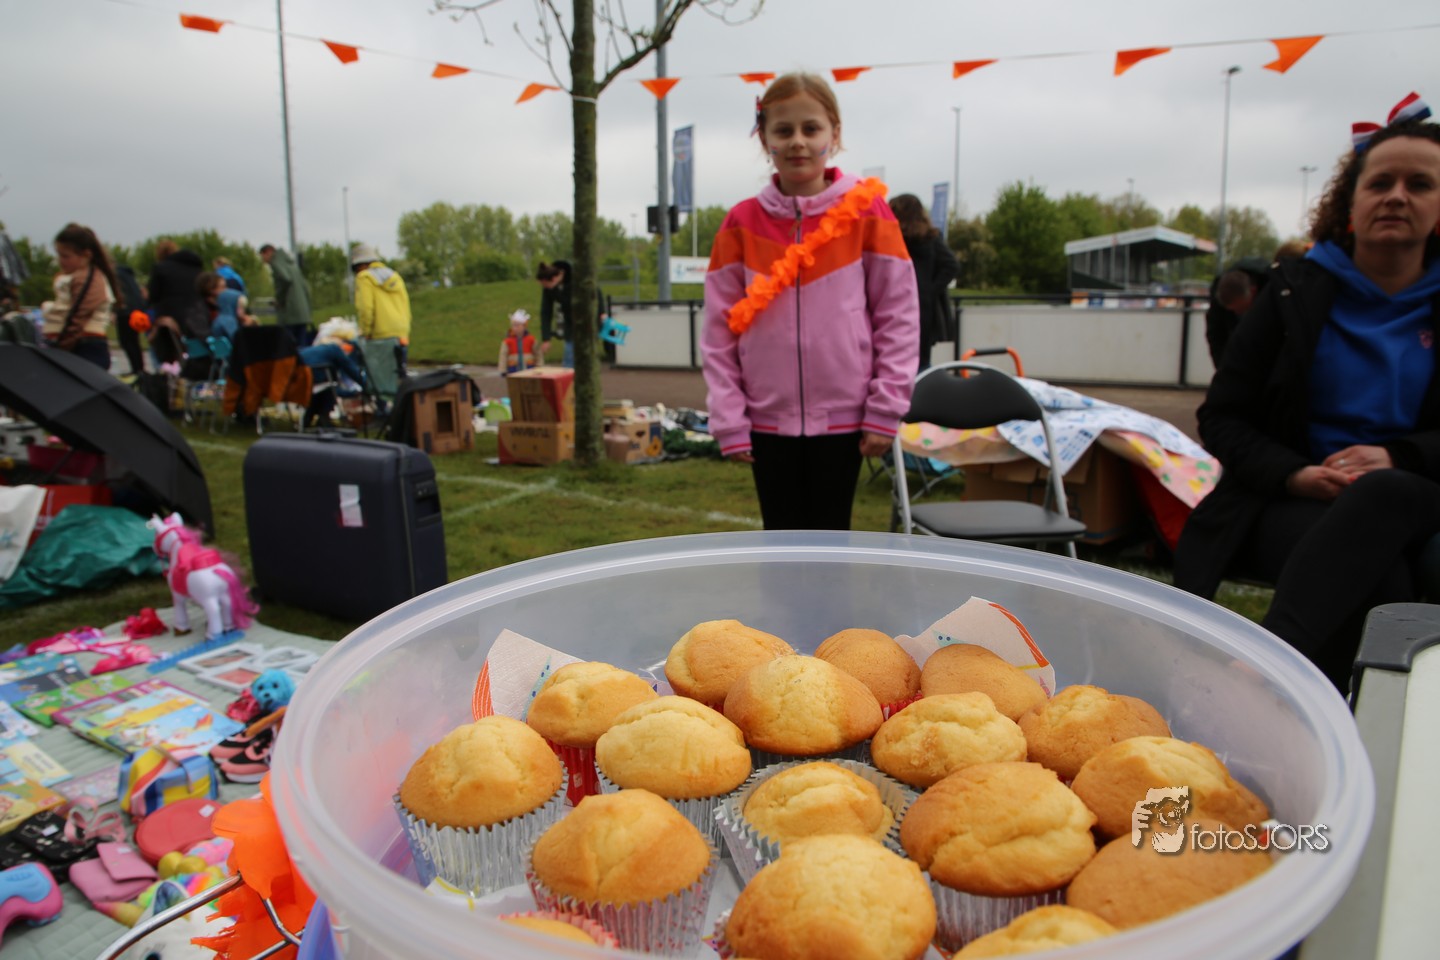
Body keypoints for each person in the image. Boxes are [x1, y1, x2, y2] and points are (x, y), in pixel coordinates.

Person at [1173, 94, 1440, 693]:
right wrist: (1294, 474)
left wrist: (1397, 456)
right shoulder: (1290, 293)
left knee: (1387, 491)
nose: (1397, 197)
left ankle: (1265, 675)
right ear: (1351, 201)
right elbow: (1223, 418)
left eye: (1420, 184)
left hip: (1420, 494)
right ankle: (1344, 726)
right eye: (1381, 183)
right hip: (1292, 498)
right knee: (1385, 583)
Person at [701, 71, 919, 531]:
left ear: (833, 135)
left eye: (811, 128)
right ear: (765, 139)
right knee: (779, 546)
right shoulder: (739, 224)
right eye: (783, 130)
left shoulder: (868, 212)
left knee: (830, 548)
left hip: (846, 420)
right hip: (766, 421)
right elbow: (718, 331)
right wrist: (729, 417)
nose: (797, 141)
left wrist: (885, 409)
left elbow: (898, 316)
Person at [889, 193, 958, 370]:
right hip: (925, 310)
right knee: (922, 360)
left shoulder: (893, 239)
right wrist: (930, 290)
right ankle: (925, 385)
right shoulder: (931, 237)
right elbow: (951, 265)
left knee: (897, 359)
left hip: (898, 305)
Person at [41, 223, 118, 370]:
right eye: (58, 255)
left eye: (65, 256)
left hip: (84, 346)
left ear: (86, 255)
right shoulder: (79, 276)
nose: (60, 260)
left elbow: (80, 314)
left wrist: (60, 345)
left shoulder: (87, 279)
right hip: (81, 344)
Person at [349, 243, 411, 377]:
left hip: (380, 335)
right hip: (401, 334)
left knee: (380, 379)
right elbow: (405, 304)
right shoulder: (394, 276)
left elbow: (366, 308)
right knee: (399, 377)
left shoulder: (364, 277)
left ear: (360, 265)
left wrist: (365, 332)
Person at [1203, 257, 1268, 367]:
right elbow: (1216, 336)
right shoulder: (1220, 294)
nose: (1237, 313)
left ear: (1253, 292)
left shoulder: (1272, 289)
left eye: (1241, 309)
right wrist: (1223, 368)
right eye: (1232, 310)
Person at [147, 238, 208, 346]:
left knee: (172, 350)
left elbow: (154, 296)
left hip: (170, 317)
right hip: (197, 313)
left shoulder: (160, 268)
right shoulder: (195, 266)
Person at [259, 244, 313, 335]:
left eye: (262, 256)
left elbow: (286, 279)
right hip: (303, 313)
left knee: (288, 341)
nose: (263, 260)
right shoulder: (292, 265)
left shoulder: (276, 264)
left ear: (268, 252)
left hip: (289, 314)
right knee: (302, 341)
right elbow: (306, 287)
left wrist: (279, 300)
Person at [112, 262, 149, 375]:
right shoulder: (127, 274)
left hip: (125, 311)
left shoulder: (115, 275)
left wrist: (114, 311)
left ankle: (137, 369)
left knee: (126, 341)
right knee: (134, 341)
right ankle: (139, 369)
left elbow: (117, 294)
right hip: (136, 311)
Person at [198, 271, 255, 342]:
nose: (227, 290)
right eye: (223, 287)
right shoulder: (200, 312)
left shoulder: (231, 306)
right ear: (211, 290)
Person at [535, 260, 573, 367]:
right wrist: (546, 338)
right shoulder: (549, 288)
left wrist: (602, 313)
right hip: (569, 324)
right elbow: (546, 312)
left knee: (571, 355)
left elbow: (596, 293)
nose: (545, 288)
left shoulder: (574, 279)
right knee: (569, 353)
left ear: (555, 278)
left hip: (583, 320)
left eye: (546, 285)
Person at [499, 308, 538, 374]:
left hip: (529, 370)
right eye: (513, 325)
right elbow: (503, 356)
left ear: (524, 326)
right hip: (513, 370)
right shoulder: (507, 341)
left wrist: (539, 367)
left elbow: (537, 354)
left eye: (517, 325)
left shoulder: (531, 340)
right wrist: (503, 370)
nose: (515, 328)